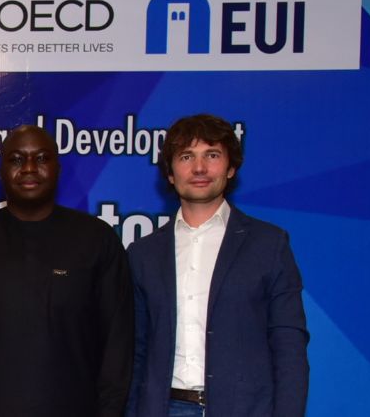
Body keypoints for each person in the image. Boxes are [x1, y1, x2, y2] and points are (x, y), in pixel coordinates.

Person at [0, 125, 132, 417]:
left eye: (41, 158)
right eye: (17, 159)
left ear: (58, 169)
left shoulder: (97, 240)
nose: (29, 168)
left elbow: (117, 344)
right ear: (1, 173)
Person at [128, 114, 308, 417]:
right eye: (186, 156)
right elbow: (136, 351)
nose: (199, 168)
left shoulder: (269, 244)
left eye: (212, 155)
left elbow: (289, 344)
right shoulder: (143, 254)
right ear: (170, 173)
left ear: (231, 167)